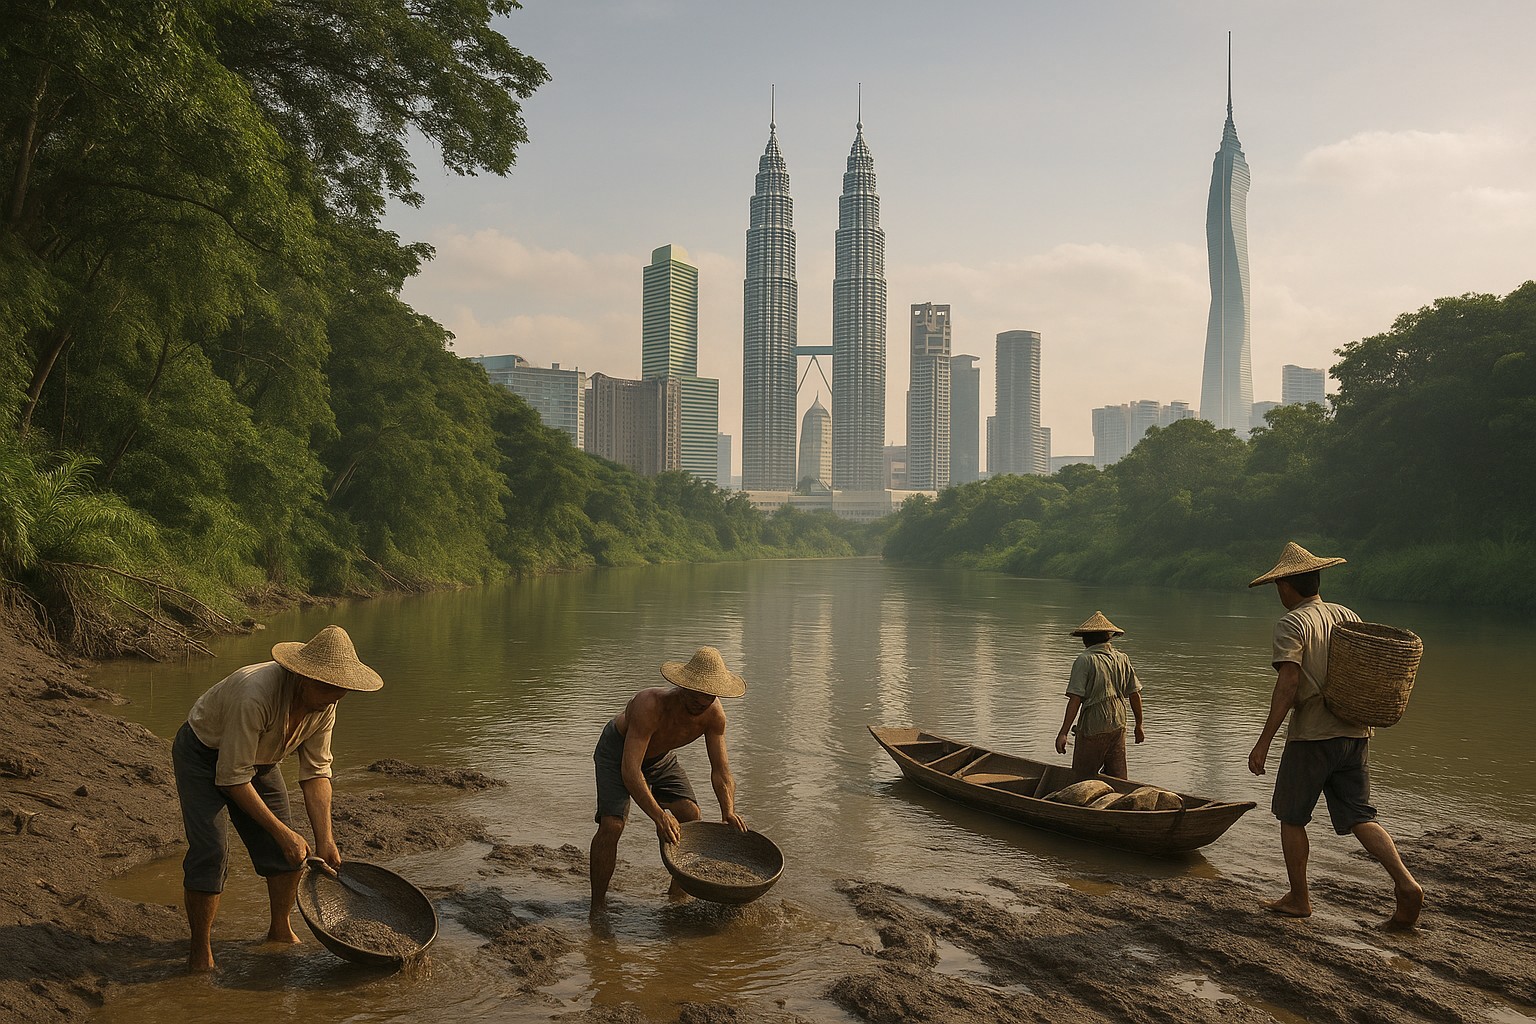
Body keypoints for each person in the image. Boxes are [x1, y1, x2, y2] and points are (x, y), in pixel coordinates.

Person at [171, 624, 383, 971]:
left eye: (342, 690)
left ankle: (279, 930)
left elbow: (316, 772)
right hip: (202, 752)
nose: (335, 697)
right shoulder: (255, 694)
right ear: (303, 677)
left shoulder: (325, 703)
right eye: (328, 688)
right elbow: (230, 778)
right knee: (211, 851)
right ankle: (200, 952)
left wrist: (324, 840)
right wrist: (281, 832)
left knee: (292, 855)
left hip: (261, 759)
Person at [1246, 542, 1423, 929]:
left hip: (1312, 736)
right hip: (1356, 732)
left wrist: (1264, 741)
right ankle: (1406, 883)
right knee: (1361, 816)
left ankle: (1299, 898)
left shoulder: (1292, 624)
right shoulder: (1346, 615)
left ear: (1287, 586)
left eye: (1280, 585)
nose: (1279, 592)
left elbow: (1289, 683)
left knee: (1291, 818)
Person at [589, 645, 747, 911]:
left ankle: (677, 897)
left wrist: (728, 810)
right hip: (617, 752)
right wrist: (659, 815)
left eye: (709, 695)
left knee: (690, 815)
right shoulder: (649, 705)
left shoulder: (714, 715)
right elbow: (630, 771)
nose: (702, 701)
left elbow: (721, 770)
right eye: (697, 693)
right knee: (612, 825)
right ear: (684, 686)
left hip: (660, 756)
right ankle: (597, 906)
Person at [1055, 611, 1145, 779]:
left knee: (1082, 777)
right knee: (1118, 778)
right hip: (1118, 723)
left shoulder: (1085, 660)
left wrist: (1063, 733)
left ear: (1085, 639)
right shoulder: (1122, 658)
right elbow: (1134, 694)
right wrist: (1139, 725)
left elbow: (1075, 699)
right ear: (1108, 637)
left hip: (1093, 725)